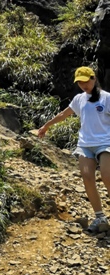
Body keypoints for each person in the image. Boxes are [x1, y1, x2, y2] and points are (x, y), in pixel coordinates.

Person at [38, 66, 110, 234]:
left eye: (86, 81)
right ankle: (99, 216)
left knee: (107, 176)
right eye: (80, 82)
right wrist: (46, 126)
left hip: (105, 142)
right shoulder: (79, 99)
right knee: (87, 177)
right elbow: (64, 114)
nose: (83, 85)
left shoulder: (107, 98)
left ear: (94, 79)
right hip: (85, 143)